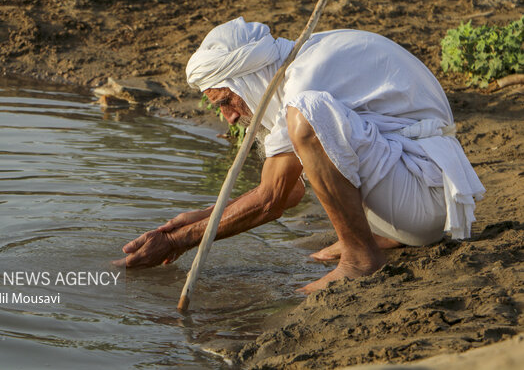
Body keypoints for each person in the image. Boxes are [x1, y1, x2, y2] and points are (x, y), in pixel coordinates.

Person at [112, 17, 485, 293]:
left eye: (227, 101)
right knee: (305, 123)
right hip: (408, 206)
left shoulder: (304, 78)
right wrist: (199, 218)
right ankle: (379, 235)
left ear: (246, 78)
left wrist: (180, 241)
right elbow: (289, 193)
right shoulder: (294, 70)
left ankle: (360, 257)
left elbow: (273, 200)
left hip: (427, 198)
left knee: (307, 118)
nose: (228, 117)